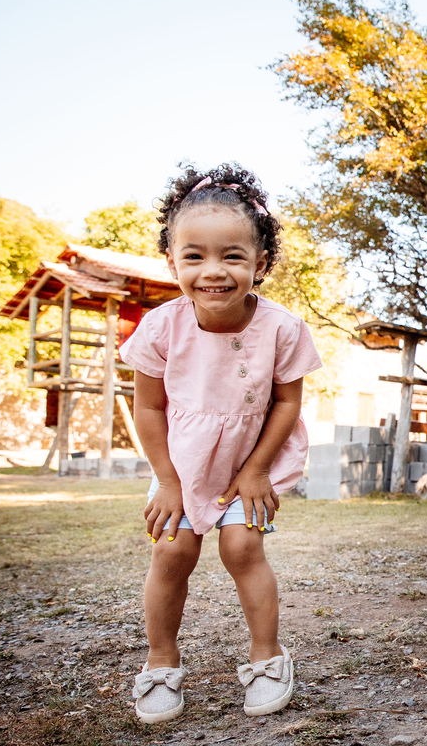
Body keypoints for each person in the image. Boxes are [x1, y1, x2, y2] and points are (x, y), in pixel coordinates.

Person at [121, 163, 322, 722]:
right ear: (173, 261)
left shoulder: (283, 329)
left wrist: (256, 472)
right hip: (184, 464)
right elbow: (149, 406)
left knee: (241, 547)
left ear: (260, 264)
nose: (213, 271)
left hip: (256, 459)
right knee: (172, 550)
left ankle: (267, 657)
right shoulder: (161, 328)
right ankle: (160, 663)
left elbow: (287, 402)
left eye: (232, 256)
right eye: (195, 256)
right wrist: (166, 479)